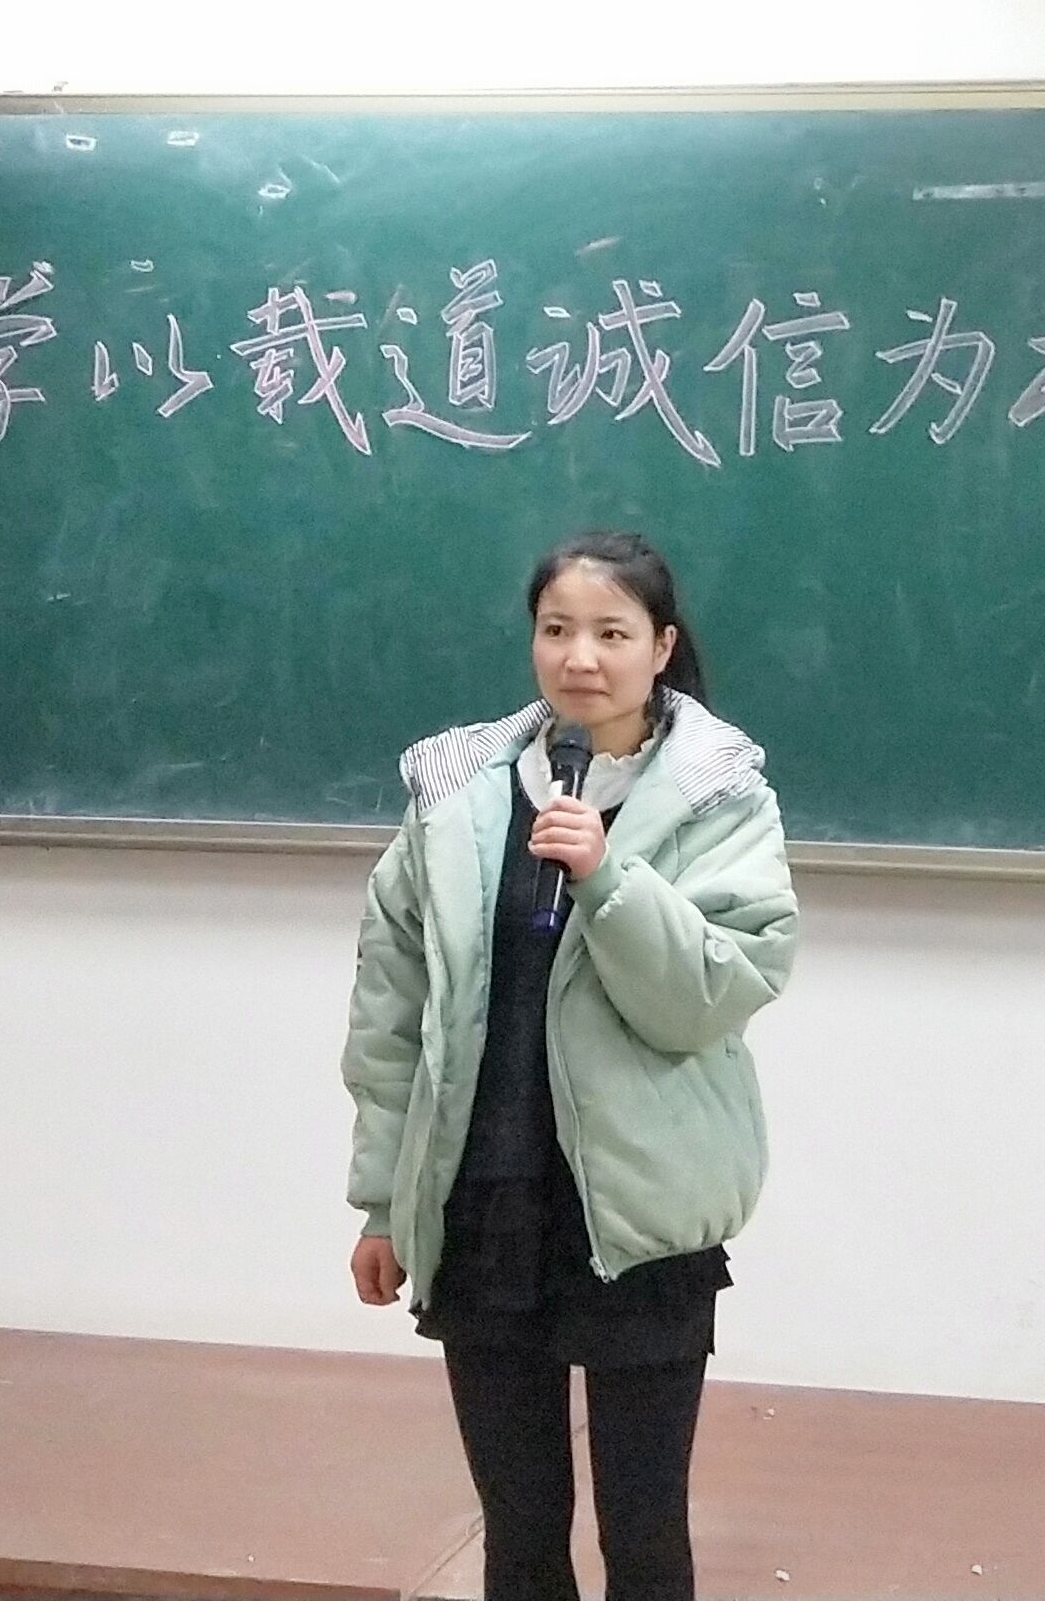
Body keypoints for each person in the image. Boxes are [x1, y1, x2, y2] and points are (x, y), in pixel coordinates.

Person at [343, 530, 799, 1601]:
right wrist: (384, 1203)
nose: (580, 657)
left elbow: (715, 991)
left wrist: (606, 877)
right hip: (484, 1201)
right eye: (557, 630)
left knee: (643, 1529)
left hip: (639, 1213)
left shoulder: (719, 796)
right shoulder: (457, 794)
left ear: (662, 646)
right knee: (519, 1527)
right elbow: (391, 1013)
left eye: (611, 633)